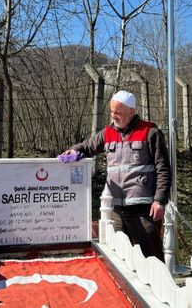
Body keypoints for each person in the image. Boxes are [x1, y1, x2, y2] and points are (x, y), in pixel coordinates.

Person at [61, 90, 171, 261]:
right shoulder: (107, 133)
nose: (114, 117)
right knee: (118, 259)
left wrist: (159, 200)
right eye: (112, 112)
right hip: (114, 210)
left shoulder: (150, 132)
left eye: (118, 113)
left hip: (142, 208)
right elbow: (88, 146)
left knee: (151, 259)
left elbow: (163, 168)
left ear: (131, 111)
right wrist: (75, 150)